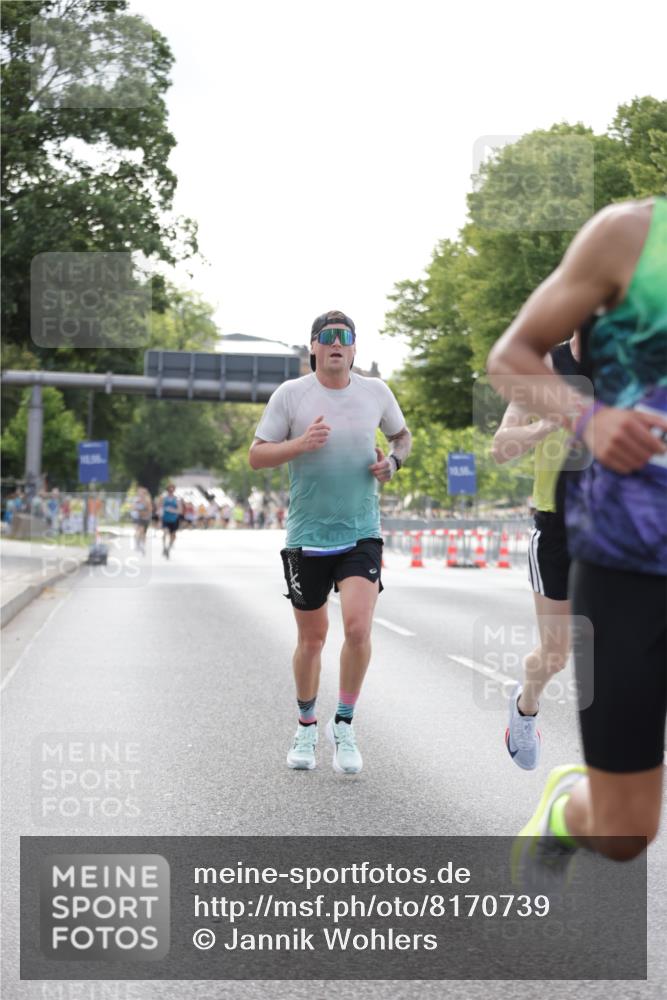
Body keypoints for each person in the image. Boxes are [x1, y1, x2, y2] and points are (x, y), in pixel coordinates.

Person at [487, 196, 667, 864]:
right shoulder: (630, 235)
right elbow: (509, 357)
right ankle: (565, 810)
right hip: (624, 554)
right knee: (623, 832)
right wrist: (585, 419)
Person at [249, 309, 412, 774]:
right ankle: (305, 724)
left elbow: (402, 438)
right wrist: (299, 445)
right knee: (313, 639)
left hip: (361, 531)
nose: (337, 343)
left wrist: (393, 465)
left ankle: (344, 723)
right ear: (314, 348)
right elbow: (257, 456)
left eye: (345, 337)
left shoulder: (376, 392)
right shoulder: (291, 395)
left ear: (355, 348)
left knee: (358, 629)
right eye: (328, 337)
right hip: (307, 536)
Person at [491, 331, 584, 769]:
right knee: (555, 653)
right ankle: (526, 706)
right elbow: (500, 447)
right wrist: (546, 425)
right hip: (555, 528)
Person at [159, 483, 182, 558]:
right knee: (165, 533)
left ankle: (168, 549)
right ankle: (164, 547)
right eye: (169, 490)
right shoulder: (163, 498)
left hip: (174, 519)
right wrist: (160, 518)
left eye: (172, 490)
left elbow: (180, 510)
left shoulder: (177, 499)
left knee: (173, 535)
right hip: (165, 518)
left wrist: (173, 510)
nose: (171, 491)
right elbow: (160, 508)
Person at [132, 487, 152, 554]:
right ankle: (137, 543)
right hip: (139, 518)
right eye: (139, 493)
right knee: (140, 530)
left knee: (144, 533)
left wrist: (144, 512)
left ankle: (142, 545)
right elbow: (134, 508)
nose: (141, 495)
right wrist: (139, 510)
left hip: (146, 518)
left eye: (142, 493)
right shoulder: (137, 500)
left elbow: (149, 510)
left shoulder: (147, 501)